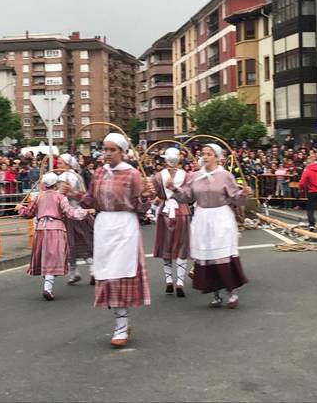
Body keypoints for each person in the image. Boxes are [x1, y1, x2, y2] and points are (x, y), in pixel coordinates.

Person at [79, 133, 154, 348]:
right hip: (104, 227)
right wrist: (72, 194)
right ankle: (121, 320)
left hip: (125, 227)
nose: (107, 153)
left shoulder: (132, 175)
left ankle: (121, 325)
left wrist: (147, 197)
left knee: (122, 274)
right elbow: (89, 200)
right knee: (108, 275)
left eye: (112, 150)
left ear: (122, 152)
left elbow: (142, 208)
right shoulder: (99, 173)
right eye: (105, 149)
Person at [170, 144, 252, 309]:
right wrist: (174, 189)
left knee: (222, 255)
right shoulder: (195, 176)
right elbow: (187, 196)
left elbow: (236, 199)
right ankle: (215, 294)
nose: (205, 157)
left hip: (221, 217)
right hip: (202, 218)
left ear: (217, 157)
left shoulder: (225, 176)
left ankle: (232, 292)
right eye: (203, 154)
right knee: (207, 257)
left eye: (209, 154)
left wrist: (243, 194)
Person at [16, 172, 94, 300]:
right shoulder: (60, 197)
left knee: (45, 258)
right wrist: (86, 212)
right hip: (56, 229)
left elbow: (28, 213)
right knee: (53, 259)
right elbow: (70, 213)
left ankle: (49, 283)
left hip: (41, 229)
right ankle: (48, 287)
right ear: (55, 184)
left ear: (44, 185)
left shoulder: (38, 197)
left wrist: (20, 208)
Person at [151, 147, 192, 297]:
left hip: (164, 212)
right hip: (181, 211)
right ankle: (179, 282)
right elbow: (189, 196)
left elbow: (153, 193)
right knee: (181, 246)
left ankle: (169, 280)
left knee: (165, 245)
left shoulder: (157, 176)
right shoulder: (186, 176)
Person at [56, 153, 95, 286]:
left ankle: (75, 272)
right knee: (84, 241)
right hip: (81, 212)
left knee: (70, 244)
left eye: (60, 163)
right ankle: (91, 270)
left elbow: (61, 197)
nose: (57, 165)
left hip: (69, 215)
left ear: (68, 164)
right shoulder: (77, 175)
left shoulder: (64, 177)